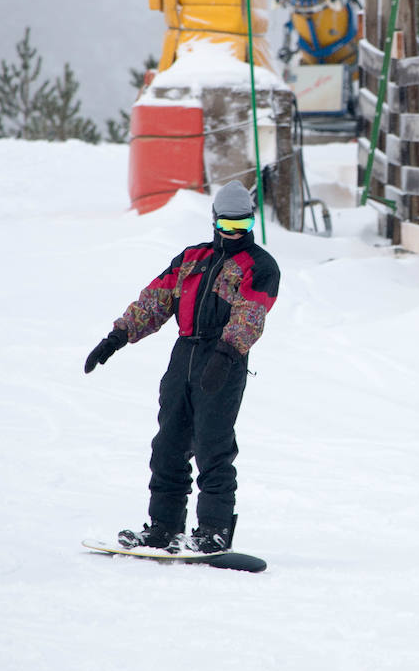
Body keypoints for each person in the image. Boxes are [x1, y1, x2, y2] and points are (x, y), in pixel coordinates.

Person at [83, 181, 280, 553]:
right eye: (227, 227)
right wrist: (118, 336)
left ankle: (214, 530)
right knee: (168, 446)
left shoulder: (261, 265)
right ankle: (164, 527)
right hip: (182, 358)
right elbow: (155, 300)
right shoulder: (192, 258)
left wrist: (225, 354)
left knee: (213, 447)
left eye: (242, 227)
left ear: (251, 223)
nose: (234, 234)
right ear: (215, 222)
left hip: (222, 360)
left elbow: (250, 313)